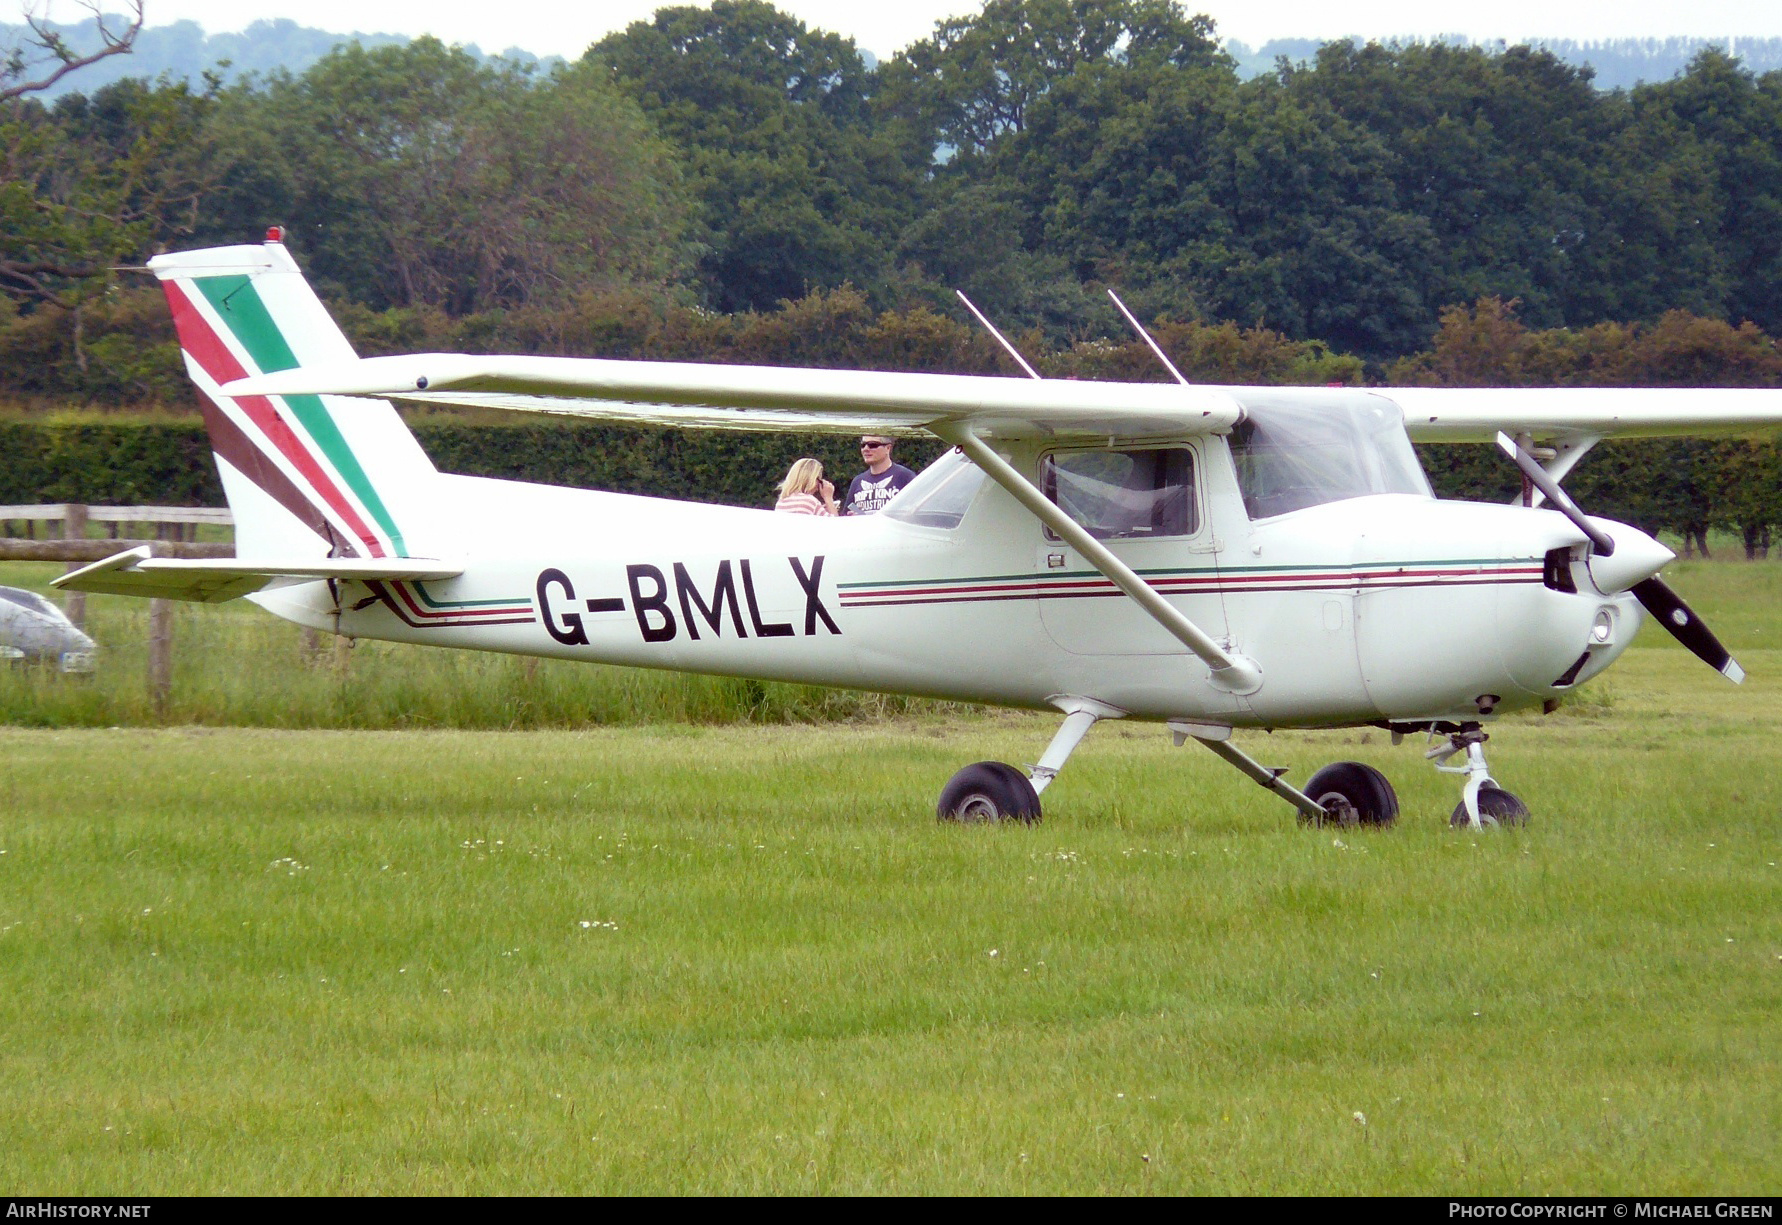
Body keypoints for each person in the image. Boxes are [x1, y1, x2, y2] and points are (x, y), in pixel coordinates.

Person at [844, 435, 916, 516]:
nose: (866, 449)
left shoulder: (905, 476)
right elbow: (845, 517)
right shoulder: (857, 481)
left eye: (873, 445)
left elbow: (916, 512)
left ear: (888, 448)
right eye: (863, 445)